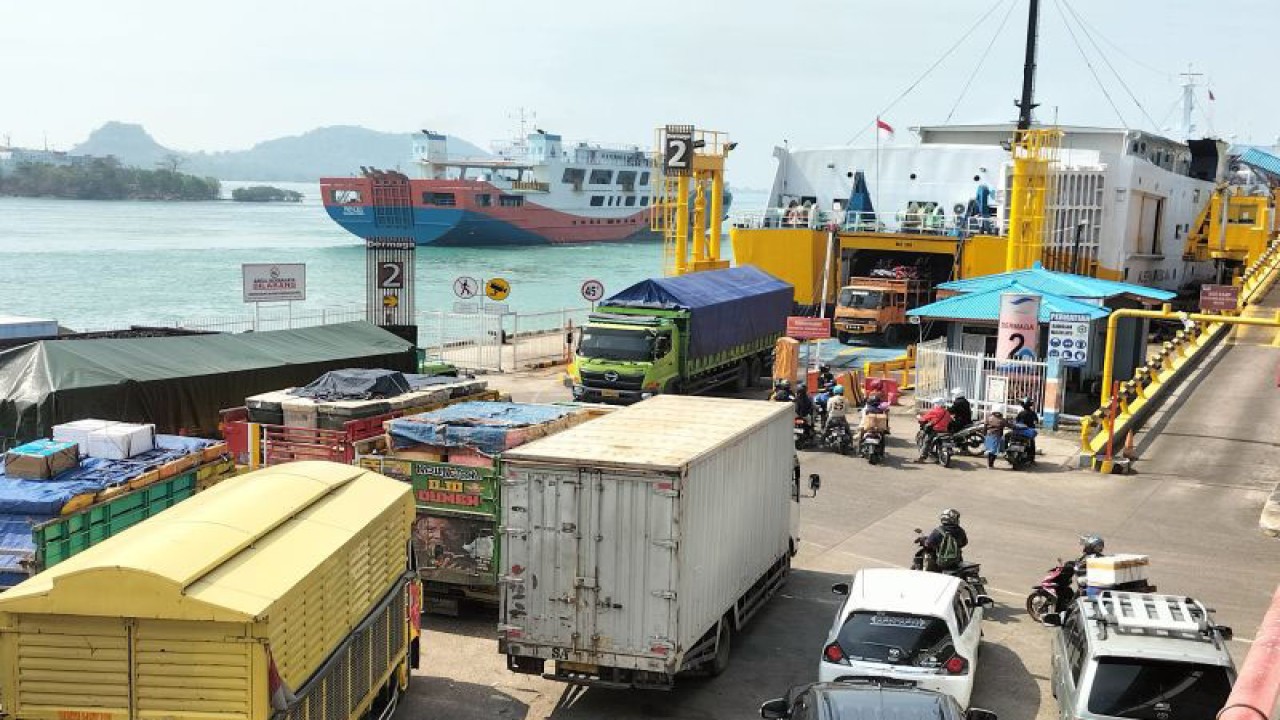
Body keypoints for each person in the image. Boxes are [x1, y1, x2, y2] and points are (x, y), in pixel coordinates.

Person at [1014, 396, 1039, 463]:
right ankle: (1032, 459)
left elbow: (1016, 421)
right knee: (1032, 444)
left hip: (1020, 431)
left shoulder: (1021, 413)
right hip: (1028, 432)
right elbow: (1036, 421)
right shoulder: (1033, 413)